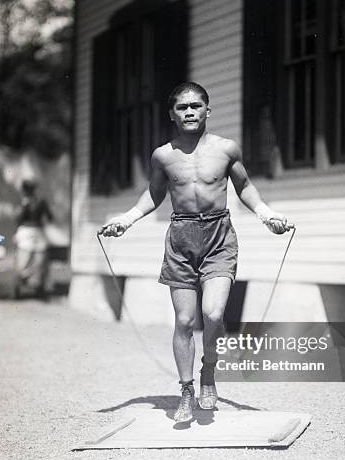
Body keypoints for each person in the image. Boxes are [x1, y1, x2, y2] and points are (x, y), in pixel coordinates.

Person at [99, 82, 293, 423]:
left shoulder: (226, 149)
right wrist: (126, 220)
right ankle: (186, 390)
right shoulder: (163, 155)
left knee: (214, 314)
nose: (189, 112)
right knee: (186, 321)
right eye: (182, 107)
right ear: (172, 115)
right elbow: (154, 194)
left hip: (219, 235)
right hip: (181, 237)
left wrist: (267, 215)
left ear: (207, 110)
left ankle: (209, 372)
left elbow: (244, 186)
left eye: (196, 106)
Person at [13, 179, 54, 298]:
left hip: (36, 232)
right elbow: (18, 219)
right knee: (24, 260)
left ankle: (37, 284)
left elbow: (50, 217)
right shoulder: (23, 202)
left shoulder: (40, 202)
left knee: (40, 259)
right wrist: (24, 207)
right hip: (25, 232)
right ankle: (20, 283)